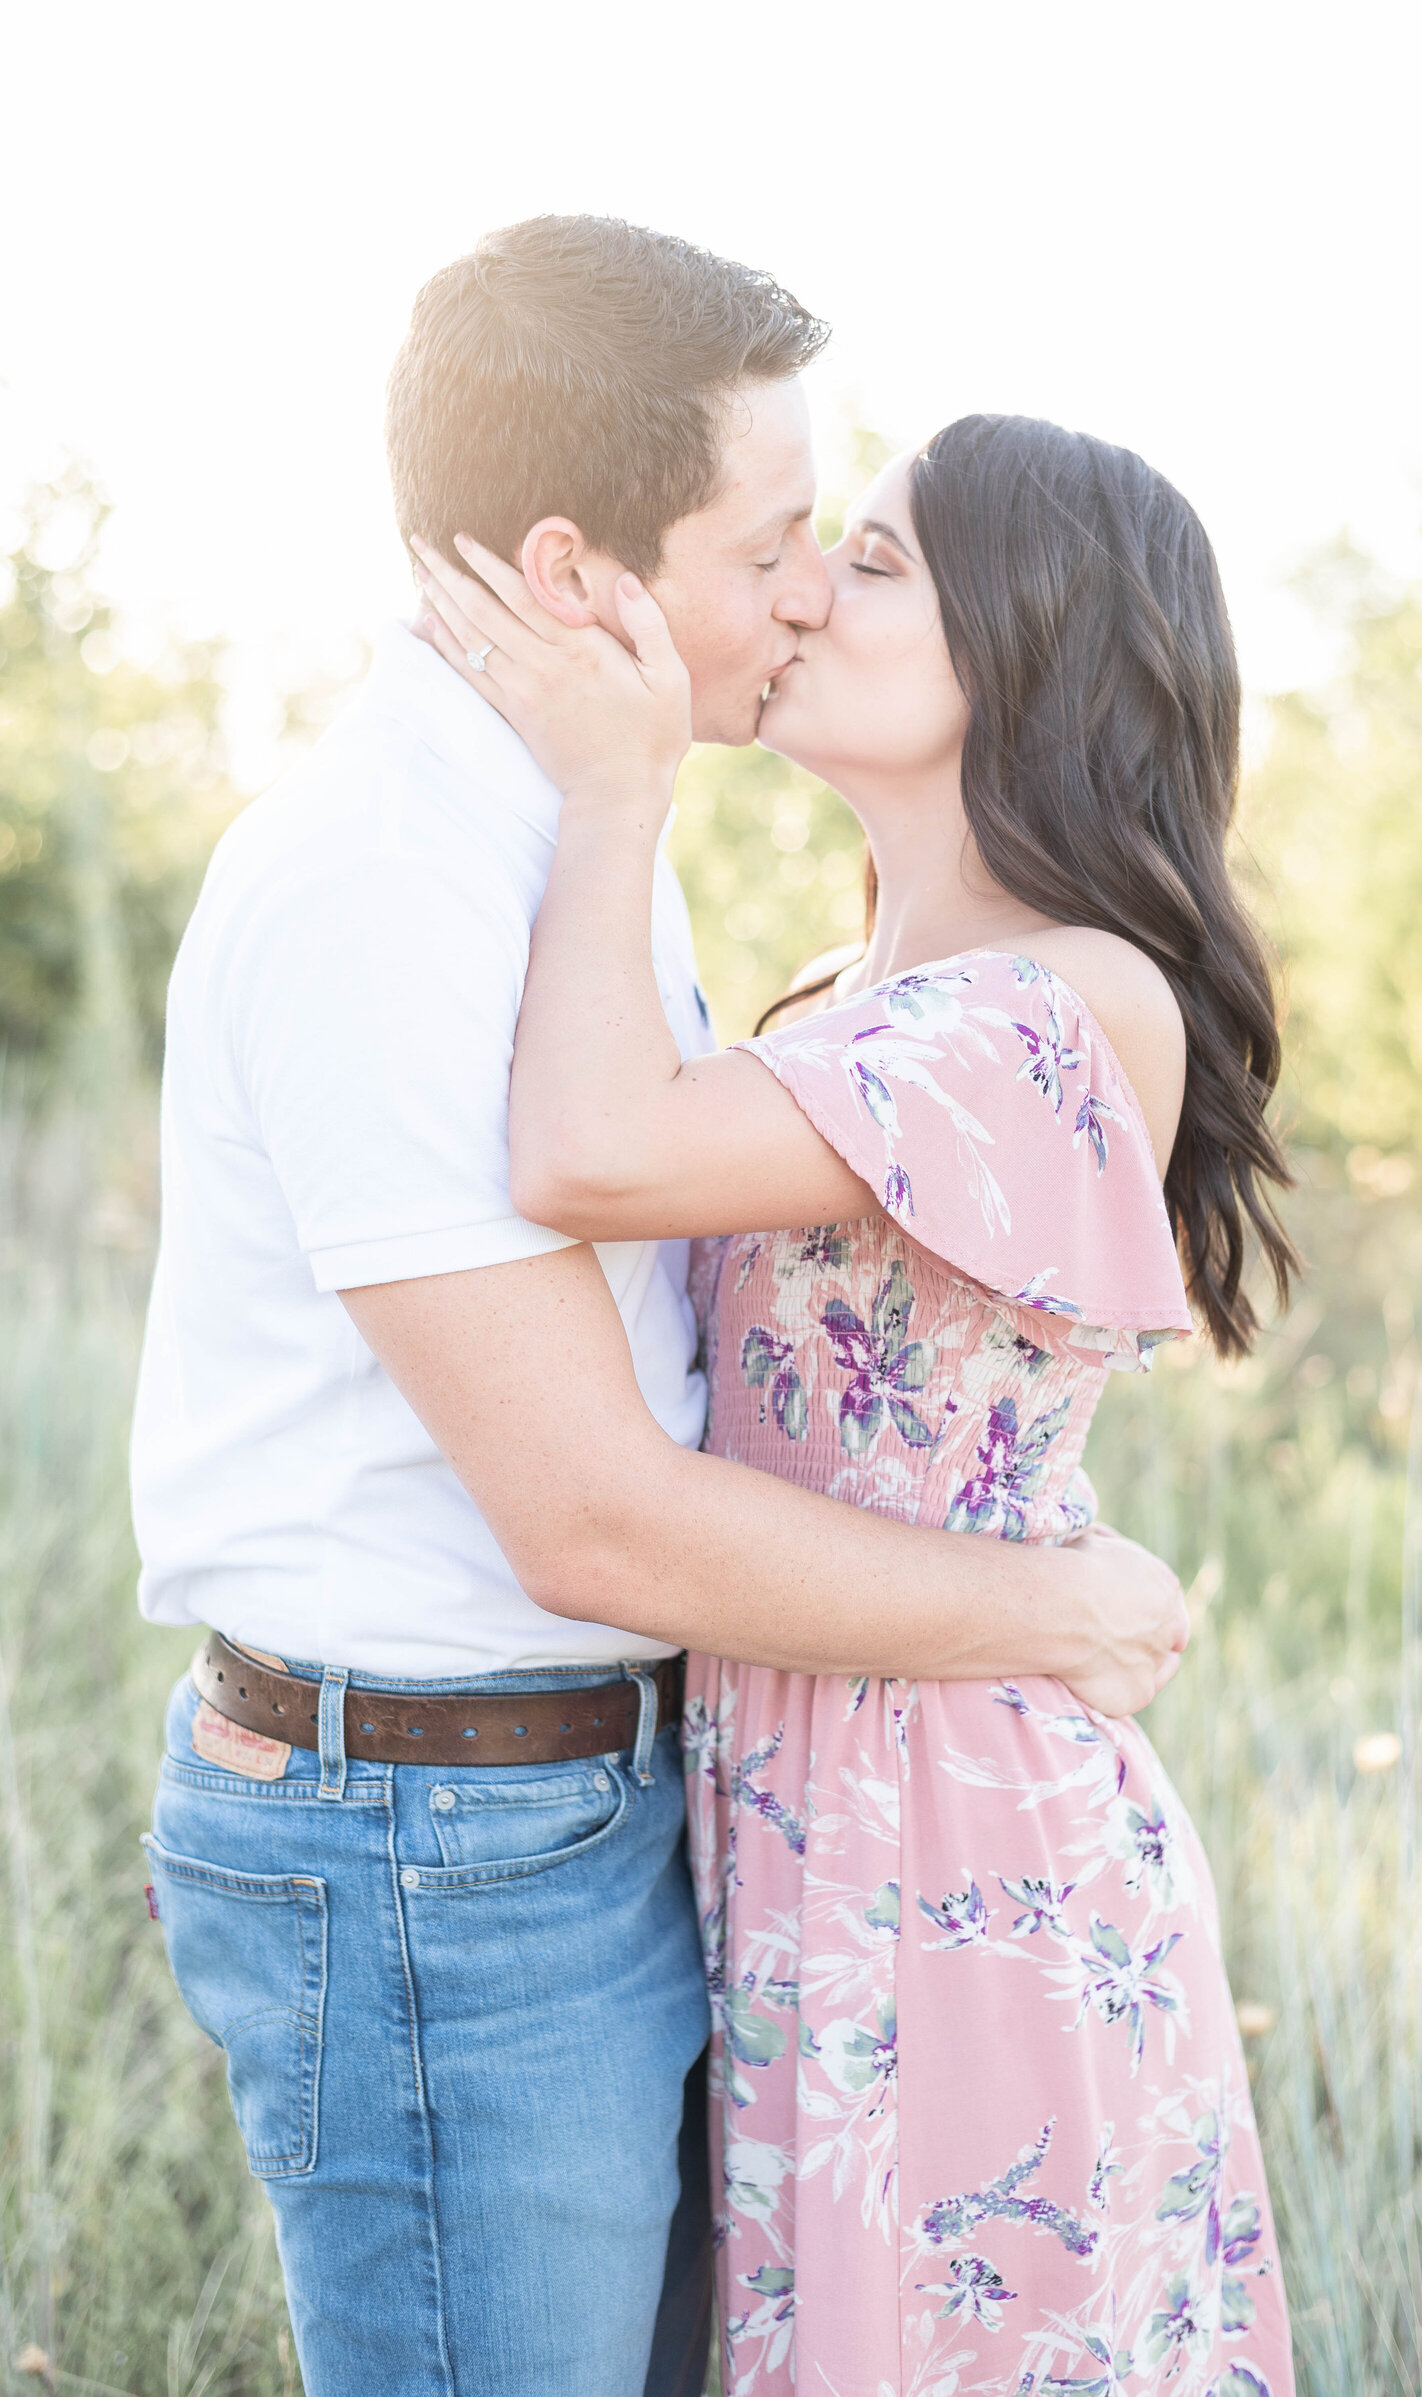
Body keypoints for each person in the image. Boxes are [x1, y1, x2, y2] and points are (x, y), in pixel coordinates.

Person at [132, 219, 1188, 2397]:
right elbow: (592, 1507)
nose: (803, 591)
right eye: (784, 540)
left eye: (851, 553)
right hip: (441, 1833)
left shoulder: (587, 833)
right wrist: (1048, 1609)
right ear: (576, 565)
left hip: (670, 1800)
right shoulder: (399, 879)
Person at [410, 410, 1300, 2394]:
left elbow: (585, 1152)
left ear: (1033, 642)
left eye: (876, 559)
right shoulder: (835, 992)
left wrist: (615, 784)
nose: (804, 585)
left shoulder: (1063, 1001)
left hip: (950, 1828)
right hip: (785, 1784)